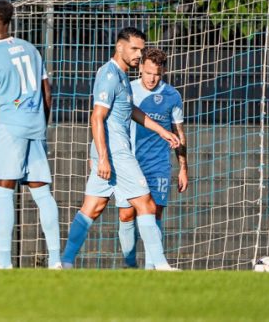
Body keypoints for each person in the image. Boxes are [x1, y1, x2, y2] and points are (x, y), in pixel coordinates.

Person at [61, 27, 180, 271]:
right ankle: (160, 266)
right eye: (134, 49)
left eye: (141, 50)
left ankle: (66, 262)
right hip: (116, 153)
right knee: (146, 204)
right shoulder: (110, 75)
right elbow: (97, 117)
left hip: (109, 152)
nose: (138, 54)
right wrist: (104, 158)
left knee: (92, 208)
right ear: (119, 47)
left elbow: (131, 110)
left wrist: (161, 130)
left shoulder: (122, 75)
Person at [0, 0, 61, 269]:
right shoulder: (31, 49)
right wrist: (39, 124)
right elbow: (47, 93)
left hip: (9, 128)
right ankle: (55, 261)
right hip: (35, 126)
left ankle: (4, 261)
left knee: (3, 191)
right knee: (42, 192)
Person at [117, 47, 188, 269]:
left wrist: (183, 168)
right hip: (129, 162)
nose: (151, 78)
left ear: (163, 71)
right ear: (140, 68)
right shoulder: (128, 90)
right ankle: (130, 266)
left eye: (156, 74)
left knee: (154, 212)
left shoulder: (172, 96)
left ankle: (152, 270)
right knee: (126, 215)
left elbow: (179, 133)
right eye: (148, 73)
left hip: (158, 164)